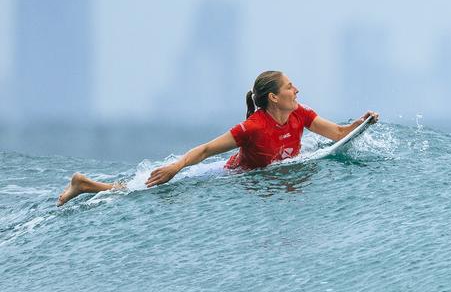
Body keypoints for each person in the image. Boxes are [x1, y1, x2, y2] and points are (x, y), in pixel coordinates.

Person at [57, 71, 379, 206]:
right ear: (272, 99)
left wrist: (360, 123)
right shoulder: (253, 127)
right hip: (229, 175)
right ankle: (86, 185)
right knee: (149, 190)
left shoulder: (300, 114)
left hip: (266, 176)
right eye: (289, 88)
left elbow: (337, 133)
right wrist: (176, 167)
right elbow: (208, 149)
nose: (296, 90)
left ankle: (87, 185)